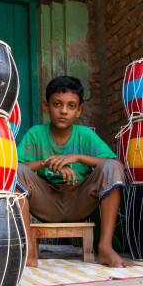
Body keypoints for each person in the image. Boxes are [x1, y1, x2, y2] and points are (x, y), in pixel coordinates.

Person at [15, 75, 133, 268]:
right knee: (15, 171)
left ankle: (105, 248)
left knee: (111, 167)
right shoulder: (35, 133)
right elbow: (14, 168)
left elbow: (117, 164)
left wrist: (77, 157)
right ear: (46, 106)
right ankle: (29, 249)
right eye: (57, 104)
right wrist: (46, 162)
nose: (63, 111)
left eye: (71, 106)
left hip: (81, 199)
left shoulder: (85, 135)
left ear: (78, 111)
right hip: (47, 201)